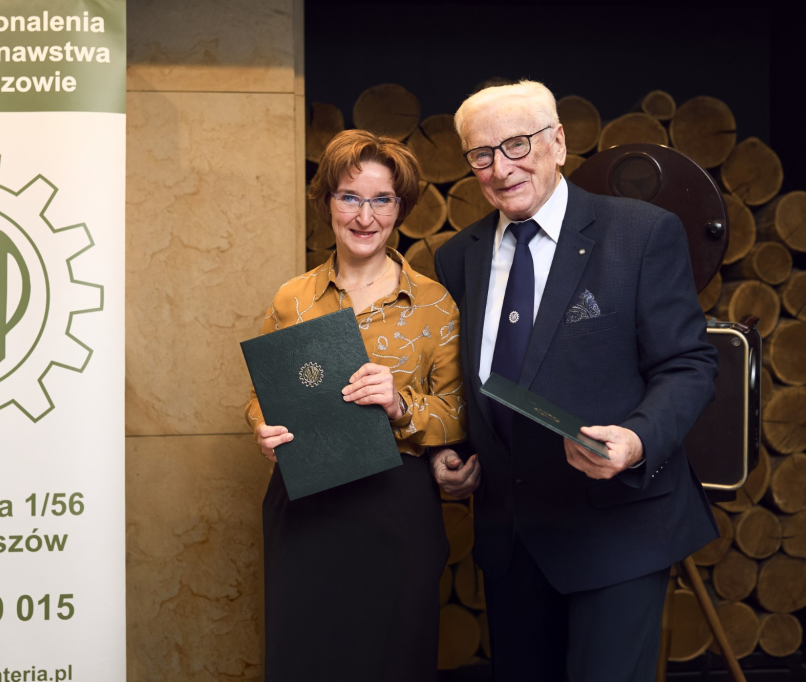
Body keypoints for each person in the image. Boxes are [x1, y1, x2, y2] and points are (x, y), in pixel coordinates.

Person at [429, 80, 719, 682]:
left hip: (615, 529)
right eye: (481, 154)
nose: (500, 169)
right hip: (512, 540)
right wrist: (452, 453)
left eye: (516, 144)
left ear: (557, 142)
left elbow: (687, 364)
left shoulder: (641, 234)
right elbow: (466, 380)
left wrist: (637, 440)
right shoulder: (458, 257)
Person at [244, 129, 466, 682]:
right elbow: (260, 396)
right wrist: (263, 428)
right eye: (350, 197)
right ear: (327, 203)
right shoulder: (293, 297)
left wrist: (401, 406)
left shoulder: (435, 305)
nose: (365, 217)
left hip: (396, 507)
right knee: (306, 659)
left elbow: (459, 411)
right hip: (305, 504)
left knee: (393, 660)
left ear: (400, 208)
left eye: (381, 199)